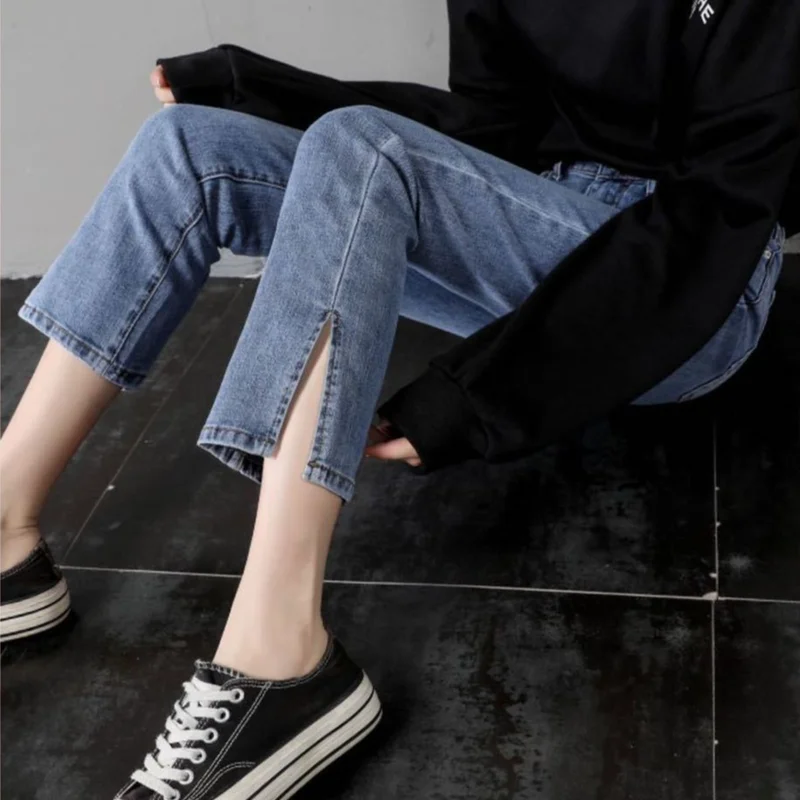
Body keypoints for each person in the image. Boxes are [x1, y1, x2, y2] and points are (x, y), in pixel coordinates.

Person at [1, 1, 798, 798]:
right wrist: (262, 87)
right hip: (543, 213)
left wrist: (480, 393)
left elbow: (718, 213)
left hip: (705, 287)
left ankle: (280, 654)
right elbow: (493, 128)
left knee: (364, 150)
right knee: (186, 147)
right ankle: (7, 539)